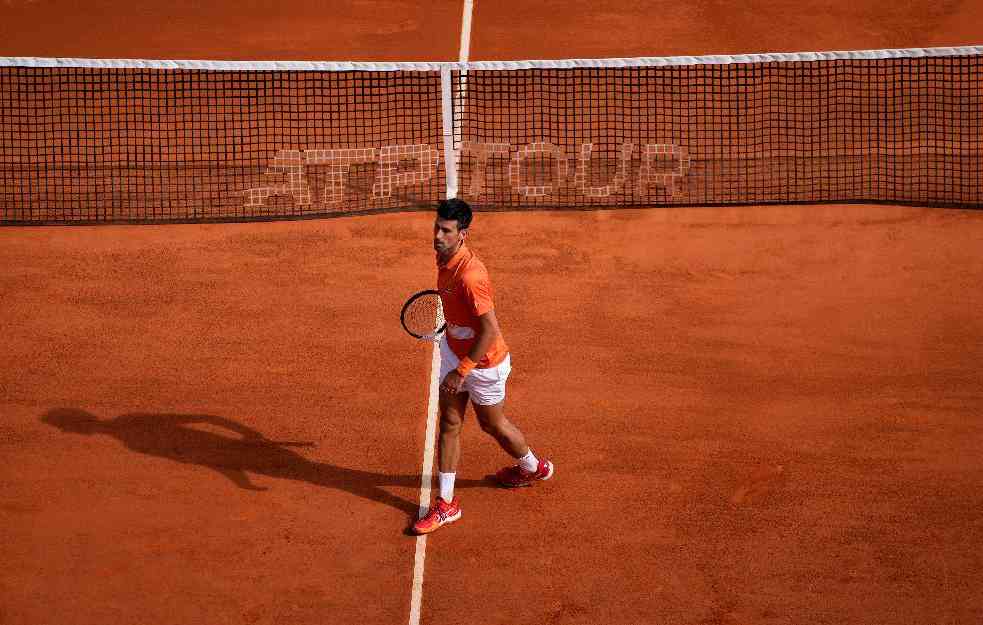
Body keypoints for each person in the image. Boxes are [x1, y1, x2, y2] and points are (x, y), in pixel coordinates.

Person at [412, 198, 554, 535]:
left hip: (484, 363)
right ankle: (447, 504)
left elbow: (489, 329)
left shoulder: (472, 275)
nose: (437, 235)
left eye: (446, 231)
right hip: (454, 349)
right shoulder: (443, 258)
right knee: (449, 422)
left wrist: (461, 370)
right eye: (436, 227)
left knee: (493, 425)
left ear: (462, 235)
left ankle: (533, 467)